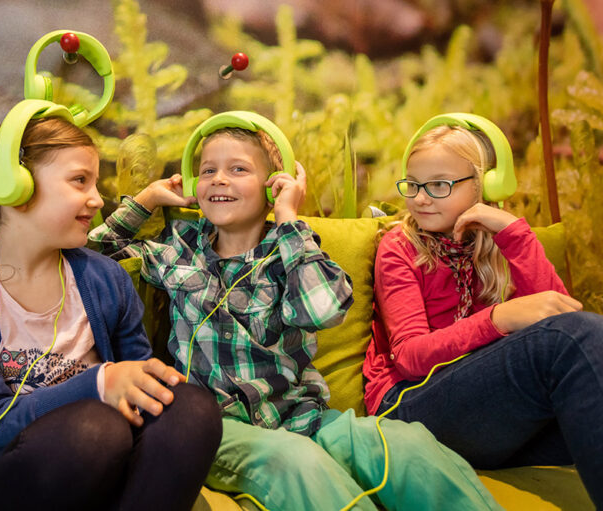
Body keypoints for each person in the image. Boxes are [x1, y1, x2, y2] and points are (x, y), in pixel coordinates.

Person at [88, 123, 501, 511]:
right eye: (208, 170)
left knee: (401, 444)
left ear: (273, 186)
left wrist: (288, 218)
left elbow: (323, 309)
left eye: (238, 169)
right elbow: (93, 255)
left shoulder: (291, 249)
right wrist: (148, 200)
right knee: (298, 461)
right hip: (218, 429)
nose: (218, 178)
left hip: (301, 416)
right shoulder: (179, 249)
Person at [0, 113, 222, 511]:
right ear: (14, 186)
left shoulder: (106, 278)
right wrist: (100, 383)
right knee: (94, 428)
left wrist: (149, 387)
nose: (97, 198)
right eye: (79, 181)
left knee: (190, 406)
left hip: (105, 475)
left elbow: (139, 387)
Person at [364, 120, 603, 508]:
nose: (421, 198)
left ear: (483, 186)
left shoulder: (497, 243)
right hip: (408, 405)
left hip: (482, 415)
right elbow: (409, 358)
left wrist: (513, 233)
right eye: (413, 184)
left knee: (585, 376)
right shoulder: (399, 247)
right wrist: (500, 319)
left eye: (439, 185)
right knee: (570, 340)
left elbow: (563, 314)